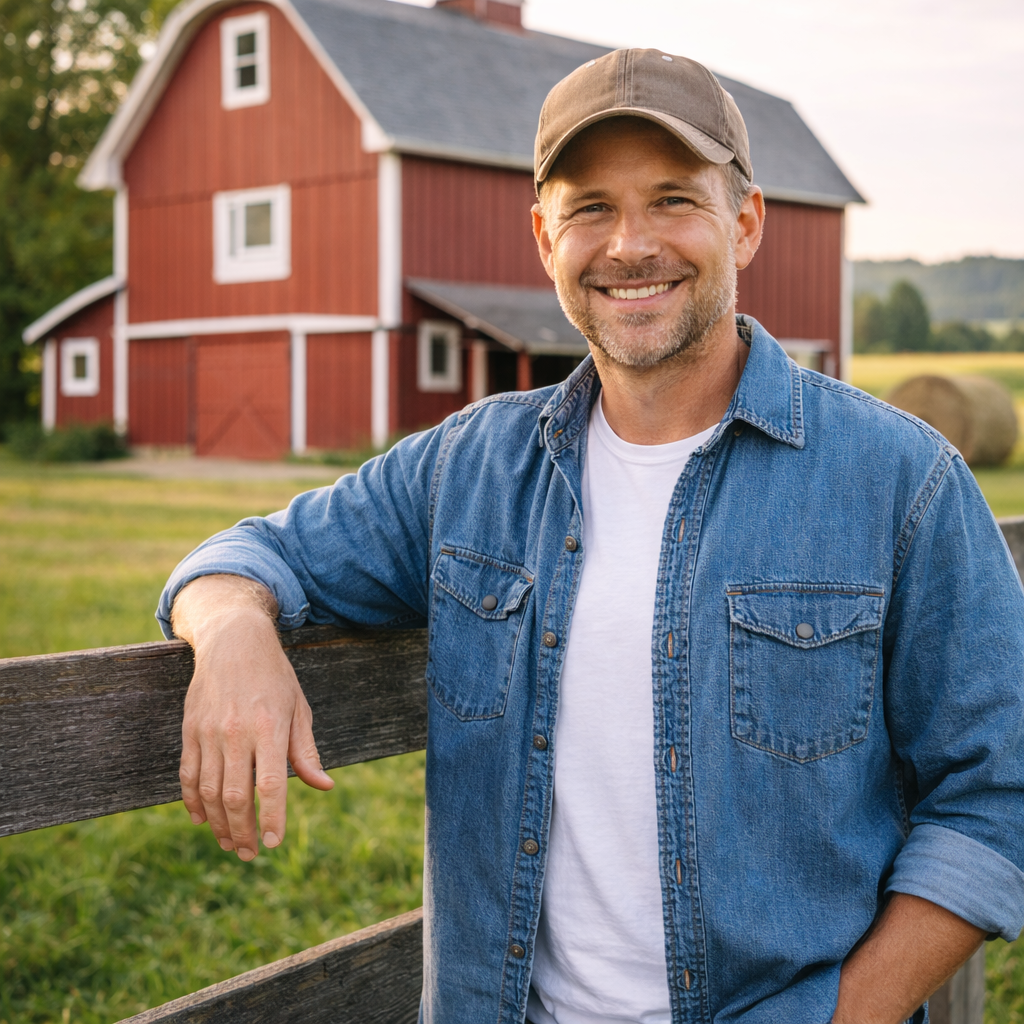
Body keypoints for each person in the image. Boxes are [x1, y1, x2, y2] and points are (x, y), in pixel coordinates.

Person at [159, 48, 1024, 1024]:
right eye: (589, 208)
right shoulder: (467, 468)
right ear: (543, 235)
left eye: (670, 200)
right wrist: (234, 634)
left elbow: (996, 796)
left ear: (744, 221)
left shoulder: (900, 480)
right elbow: (243, 555)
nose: (628, 244)